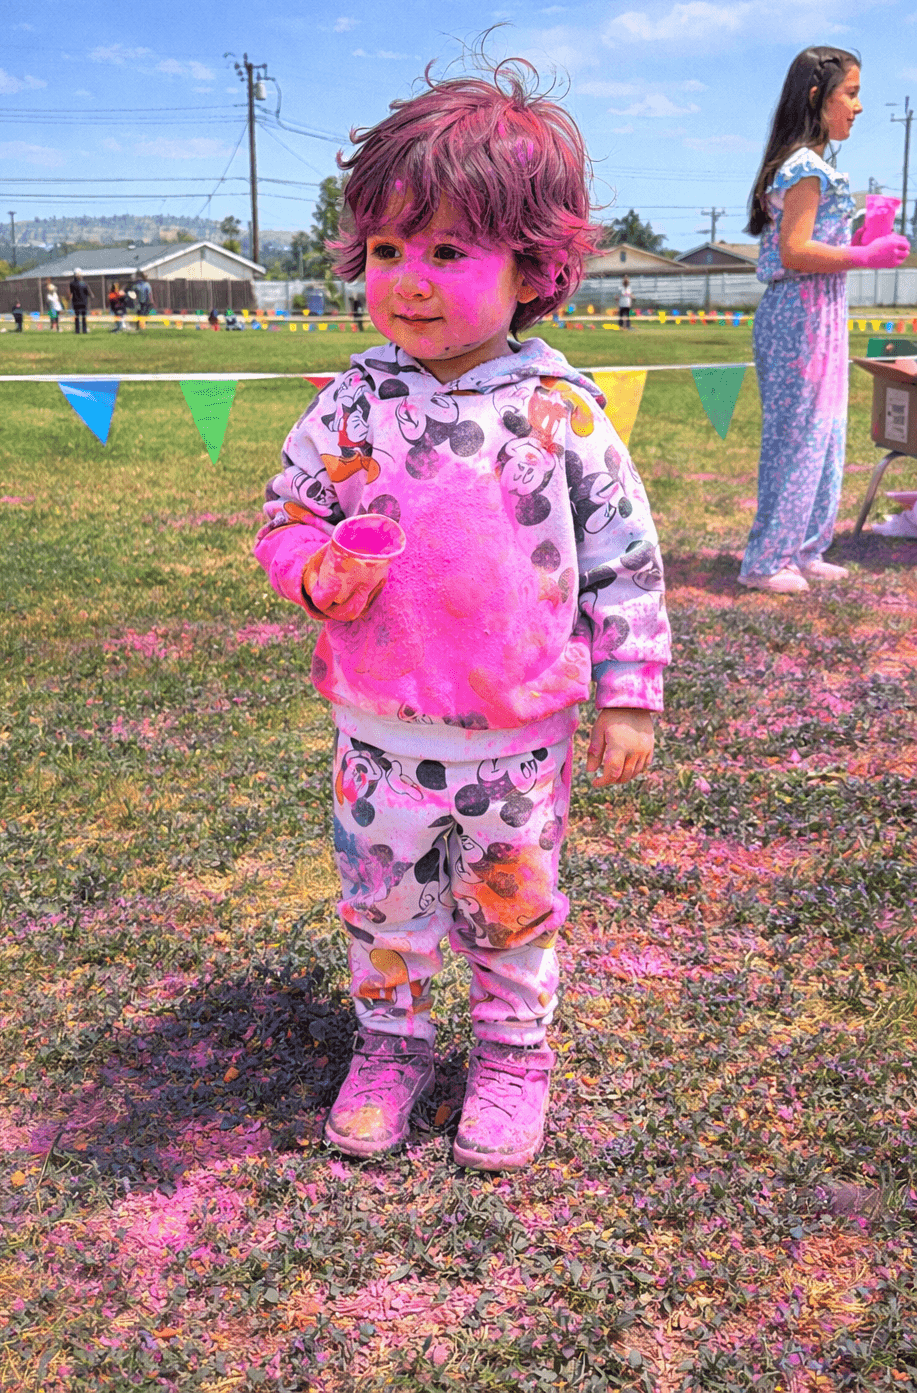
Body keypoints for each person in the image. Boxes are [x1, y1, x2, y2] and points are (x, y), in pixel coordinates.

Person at [255, 65, 670, 1171]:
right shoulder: (349, 405)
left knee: (511, 911)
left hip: (516, 741)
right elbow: (285, 516)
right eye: (389, 252)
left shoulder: (561, 414)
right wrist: (312, 571)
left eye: (447, 252)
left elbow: (624, 564)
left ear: (534, 268)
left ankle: (509, 1057)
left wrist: (628, 697)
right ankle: (391, 1045)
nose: (411, 282)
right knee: (382, 907)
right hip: (377, 731)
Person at [739, 46, 910, 594]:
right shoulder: (803, 168)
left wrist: (864, 237)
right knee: (799, 437)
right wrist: (867, 256)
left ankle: (806, 548)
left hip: (823, 314)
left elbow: (817, 245)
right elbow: (793, 252)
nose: (858, 107)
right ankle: (766, 561)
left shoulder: (819, 167)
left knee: (827, 435)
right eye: (852, 94)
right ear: (818, 98)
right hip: (798, 319)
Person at [70, 268, 90, 334]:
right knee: (84, 317)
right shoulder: (84, 283)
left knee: (77, 317)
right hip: (83, 302)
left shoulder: (72, 284)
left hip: (75, 302)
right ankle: (84, 330)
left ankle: (77, 330)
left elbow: (71, 292)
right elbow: (87, 293)